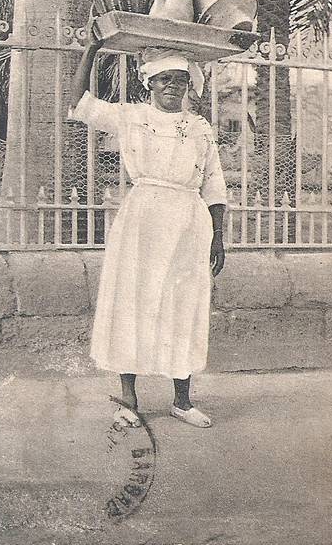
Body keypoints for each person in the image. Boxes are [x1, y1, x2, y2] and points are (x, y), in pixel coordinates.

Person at [70, 31, 227, 429]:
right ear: (149, 82)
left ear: (189, 85)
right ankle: (128, 398)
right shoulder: (132, 116)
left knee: (185, 302)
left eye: (180, 79)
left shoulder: (200, 128)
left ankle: (182, 399)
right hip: (143, 219)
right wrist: (92, 47)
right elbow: (78, 102)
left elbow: (214, 184)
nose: (173, 86)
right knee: (132, 300)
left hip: (190, 221)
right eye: (164, 79)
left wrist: (219, 235)